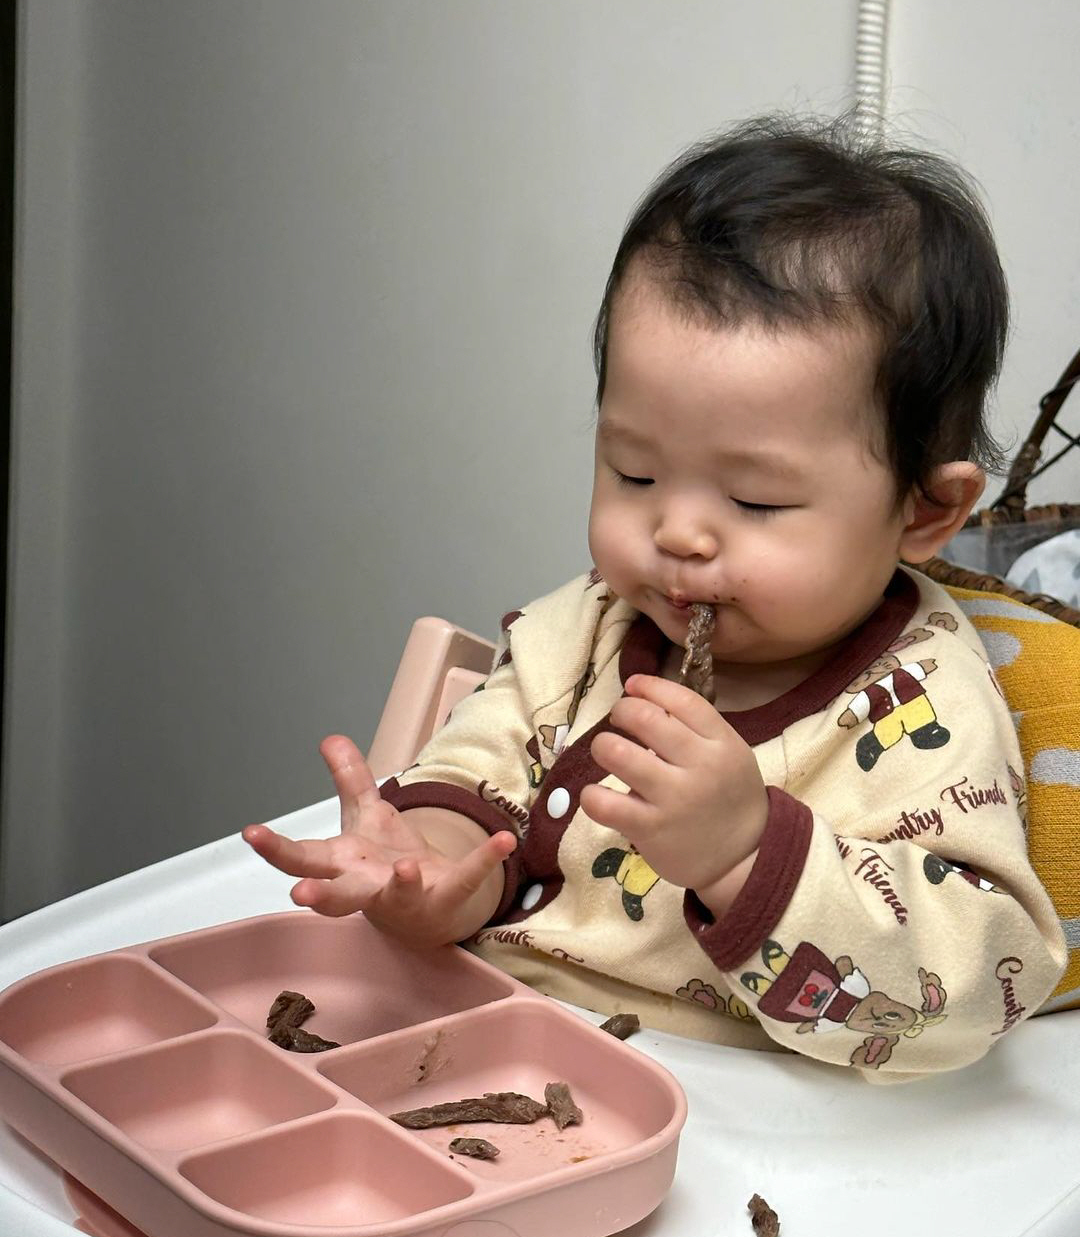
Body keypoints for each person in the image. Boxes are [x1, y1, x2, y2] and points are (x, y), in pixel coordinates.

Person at [244, 114, 1066, 1080]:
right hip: (498, 1058)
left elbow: (980, 985)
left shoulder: (925, 703)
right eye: (633, 473)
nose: (676, 533)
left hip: (761, 1135)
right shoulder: (587, 629)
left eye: (755, 499)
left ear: (926, 510)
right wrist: (427, 866)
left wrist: (748, 853)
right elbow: (482, 775)